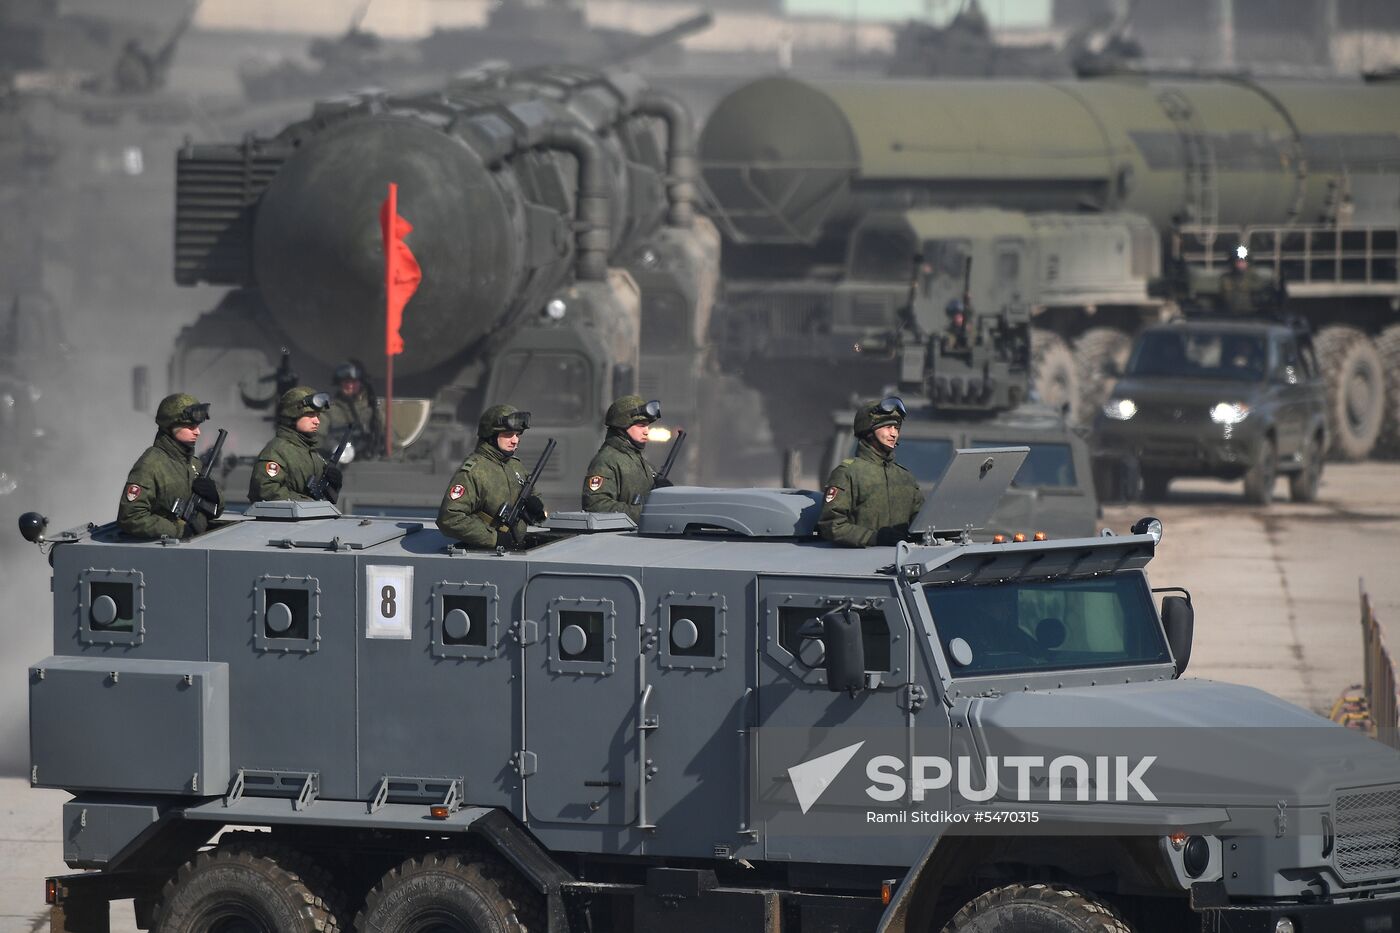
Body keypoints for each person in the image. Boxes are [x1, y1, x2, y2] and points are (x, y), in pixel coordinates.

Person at [818, 397, 925, 548]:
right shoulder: (848, 473)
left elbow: (921, 522)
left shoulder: (905, 478)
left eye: (897, 428)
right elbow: (832, 525)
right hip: (858, 563)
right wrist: (874, 537)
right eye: (888, 427)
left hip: (902, 562)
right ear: (869, 430)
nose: (894, 434)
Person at [437, 404, 547, 548]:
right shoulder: (474, 471)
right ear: (491, 435)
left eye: (518, 434)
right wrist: (494, 539)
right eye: (508, 435)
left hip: (517, 549)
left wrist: (536, 508)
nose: (515, 440)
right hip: (487, 555)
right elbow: (450, 518)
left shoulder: (514, 465)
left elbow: (531, 493)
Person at [118, 393, 224, 539]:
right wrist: (177, 531)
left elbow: (216, 511)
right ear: (170, 426)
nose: (197, 432)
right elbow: (131, 517)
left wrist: (215, 497)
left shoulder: (194, 463)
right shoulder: (150, 465)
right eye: (190, 426)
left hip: (199, 542)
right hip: (167, 550)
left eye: (198, 426)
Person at [582, 396, 670, 522]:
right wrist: (646, 512)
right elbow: (596, 506)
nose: (646, 431)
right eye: (641, 425)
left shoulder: (639, 461)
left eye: (647, 426)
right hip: (617, 539)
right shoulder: (606, 461)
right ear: (622, 425)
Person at [249, 387, 340, 504]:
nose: (317, 421)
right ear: (292, 415)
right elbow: (265, 491)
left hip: (312, 519)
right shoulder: (276, 451)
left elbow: (323, 497)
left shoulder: (313, 453)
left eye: (318, 415)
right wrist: (307, 503)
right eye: (311, 415)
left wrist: (333, 484)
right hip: (284, 521)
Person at [323, 360, 383, 459]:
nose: (350, 386)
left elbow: (387, 435)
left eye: (354, 382)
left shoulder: (372, 410)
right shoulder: (329, 411)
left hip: (371, 462)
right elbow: (320, 438)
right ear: (340, 384)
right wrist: (335, 447)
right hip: (340, 463)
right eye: (347, 382)